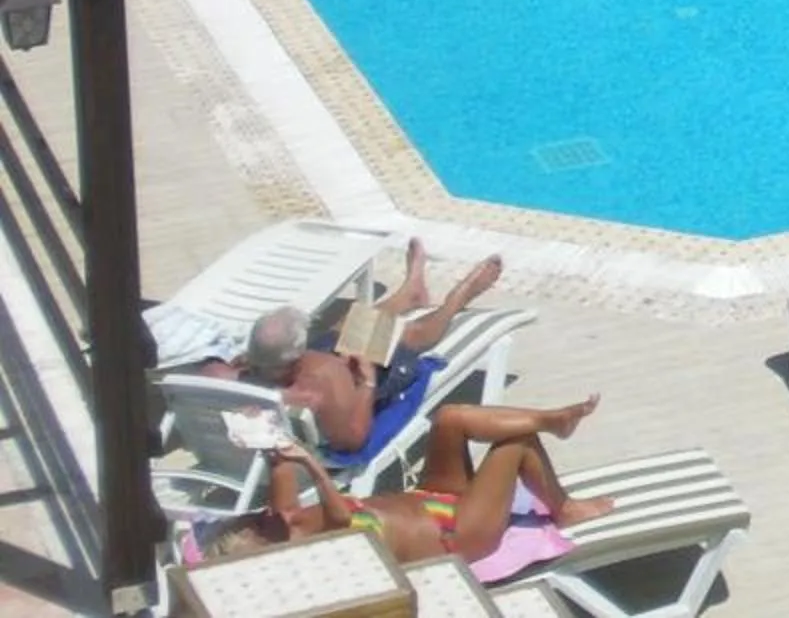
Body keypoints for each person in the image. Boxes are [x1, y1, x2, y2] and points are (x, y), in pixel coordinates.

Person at [191, 397, 613, 573]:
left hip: (433, 500)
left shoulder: (283, 519)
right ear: (273, 552)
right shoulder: (312, 546)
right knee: (515, 444)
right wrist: (313, 466)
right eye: (260, 529)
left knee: (449, 418)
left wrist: (264, 434)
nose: (265, 516)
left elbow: (280, 465)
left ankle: (550, 421)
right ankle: (563, 508)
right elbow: (342, 516)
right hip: (460, 533)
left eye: (252, 519)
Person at [240, 243, 508, 457]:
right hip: (356, 379)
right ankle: (457, 298)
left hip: (324, 365)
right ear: (296, 355)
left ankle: (409, 293)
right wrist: (366, 382)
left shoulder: (240, 375)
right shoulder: (320, 389)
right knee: (411, 335)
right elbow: (354, 441)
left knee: (348, 325)